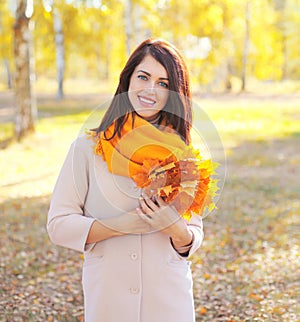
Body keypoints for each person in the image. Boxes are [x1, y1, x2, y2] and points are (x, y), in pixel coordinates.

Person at [47, 38, 205, 322]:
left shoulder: (182, 154)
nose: (150, 90)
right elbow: (58, 225)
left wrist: (177, 230)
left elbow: (193, 232)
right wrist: (117, 226)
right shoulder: (88, 149)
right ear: (127, 79)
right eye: (143, 77)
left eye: (163, 83)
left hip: (169, 300)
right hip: (110, 298)